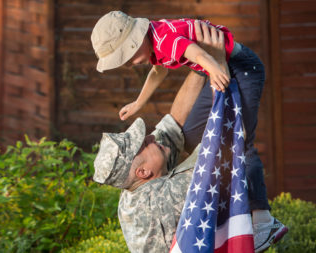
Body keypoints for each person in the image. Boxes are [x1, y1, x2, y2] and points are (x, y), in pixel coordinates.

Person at [91, 11, 288, 253]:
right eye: (144, 144)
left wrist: (198, 65)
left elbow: (173, 121)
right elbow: (227, 151)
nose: (152, 136)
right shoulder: (160, 200)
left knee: (188, 136)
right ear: (143, 172)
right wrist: (217, 63)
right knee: (236, 146)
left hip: (227, 59)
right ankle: (263, 223)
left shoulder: (138, 177)